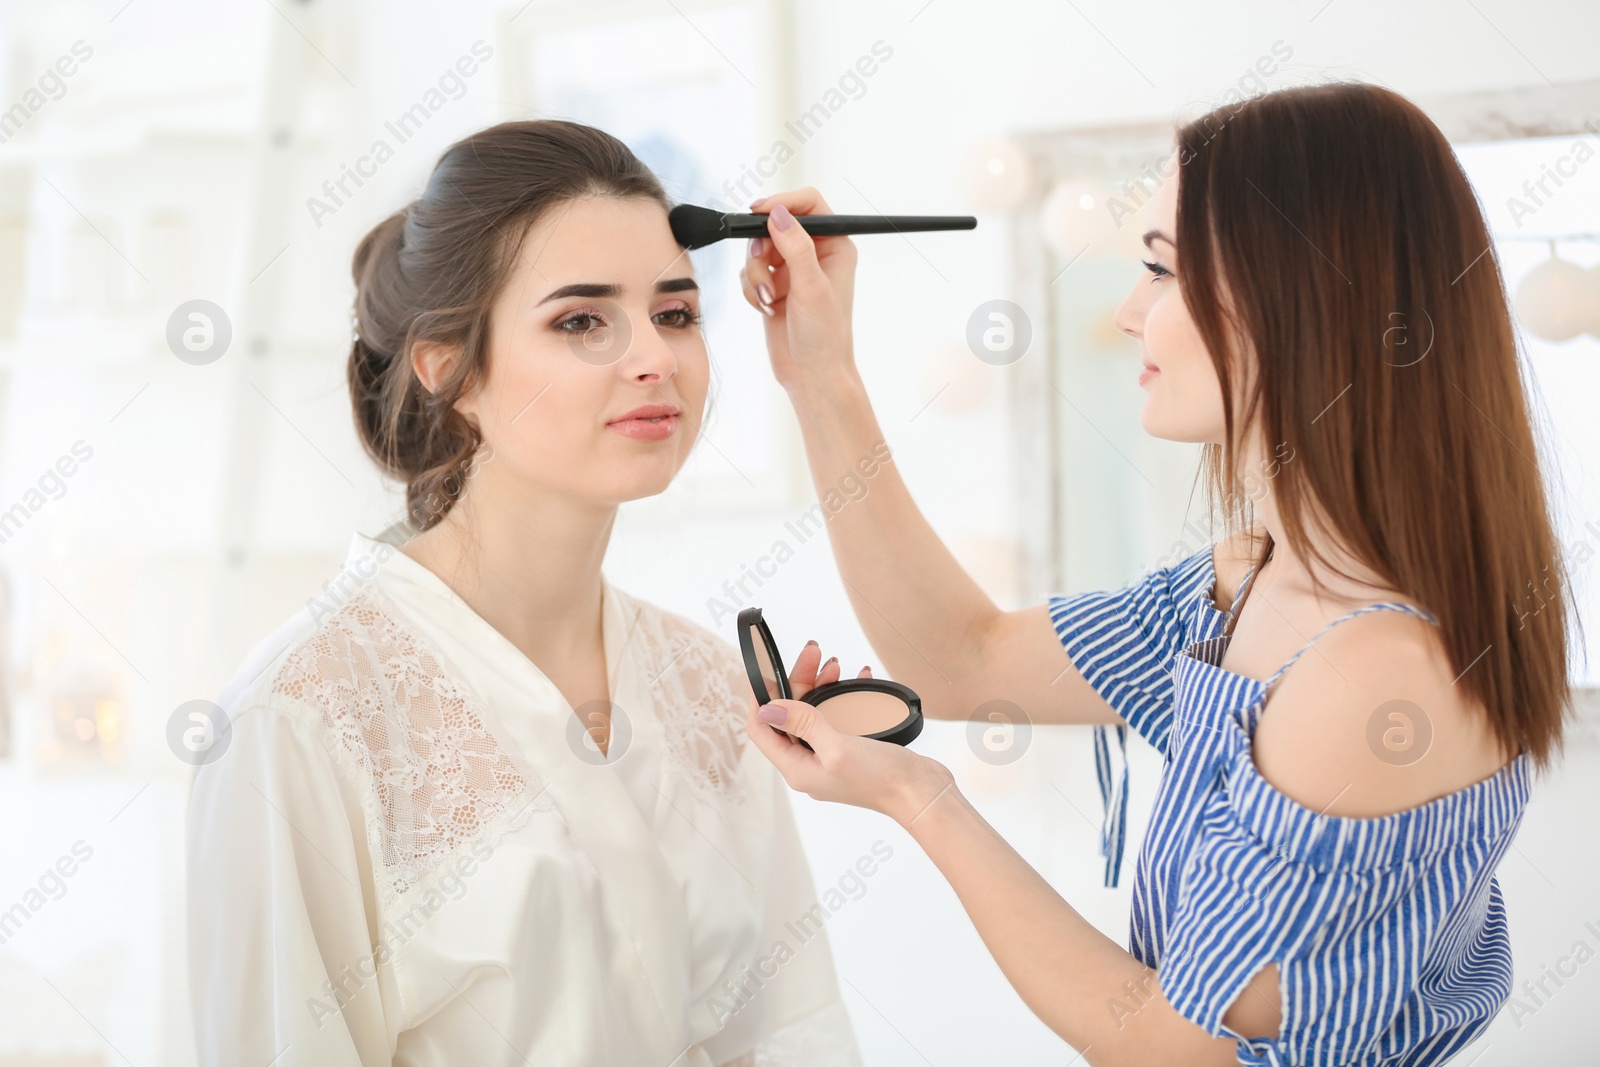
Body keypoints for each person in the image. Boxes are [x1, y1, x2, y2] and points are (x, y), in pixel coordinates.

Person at [737, 82, 1573, 1066]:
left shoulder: (1370, 674)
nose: (1130, 314)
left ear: (1296, 296)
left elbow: (1174, 1046)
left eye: (1160, 271)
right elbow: (963, 660)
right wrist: (820, 374)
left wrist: (921, 797)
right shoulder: (1247, 581)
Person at [186, 120, 861, 1067]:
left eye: (675, 313)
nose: (653, 358)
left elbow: (786, 1034)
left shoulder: (707, 684)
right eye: (581, 320)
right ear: (448, 369)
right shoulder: (296, 722)